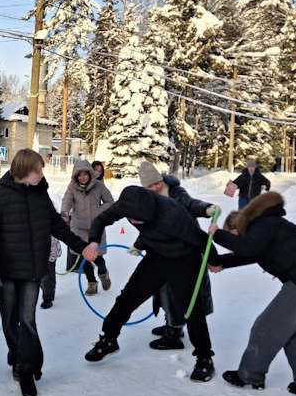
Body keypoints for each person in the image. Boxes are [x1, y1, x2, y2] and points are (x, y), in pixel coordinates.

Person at [82, 186, 219, 383]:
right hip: (156, 257)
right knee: (127, 297)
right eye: (134, 220)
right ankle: (108, 340)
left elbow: (201, 239)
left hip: (184, 258)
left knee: (191, 309)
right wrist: (94, 242)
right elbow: (100, 220)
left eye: (141, 221)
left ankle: (204, 358)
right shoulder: (126, 204)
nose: (136, 224)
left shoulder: (172, 213)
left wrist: (214, 261)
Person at [0, 149, 89, 396]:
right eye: (37, 170)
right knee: (10, 320)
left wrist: (81, 247)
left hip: (32, 271)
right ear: (23, 171)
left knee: (27, 320)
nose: (41, 174)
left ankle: (26, 369)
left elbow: (58, 227)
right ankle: (18, 353)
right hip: (6, 272)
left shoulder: (41, 196)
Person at [209, 193, 296, 396]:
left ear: (239, 227)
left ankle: (250, 376)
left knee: (265, 328)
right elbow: (253, 252)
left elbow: (247, 248)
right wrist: (223, 263)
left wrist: (216, 235)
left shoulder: (264, 225)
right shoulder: (267, 225)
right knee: (294, 336)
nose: (236, 240)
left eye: (233, 235)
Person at [138, 161, 219, 351]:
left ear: (161, 179)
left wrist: (206, 208)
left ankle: (174, 334)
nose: (155, 188)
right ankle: (172, 324)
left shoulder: (175, 193)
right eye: (150, 186)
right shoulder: (150, 199)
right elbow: (149, 226)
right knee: (164, 290)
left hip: (185, 250)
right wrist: (139, 244)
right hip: (163, 250)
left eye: (156, 183)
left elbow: (191, 204)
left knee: (178, 292)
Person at [60, 160, 114, 296]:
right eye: (79, 175)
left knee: (97, 256)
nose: (82, 177)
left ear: (90, 174)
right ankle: (92, 283)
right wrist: (65, 213)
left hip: (96, 227)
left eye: (85, 174)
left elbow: (110, 202)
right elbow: (66, 201)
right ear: (76, 176)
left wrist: (98, 211)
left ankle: (103, 273)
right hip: (78, 227)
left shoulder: (99, 186)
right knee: (83, 256)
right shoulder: (72, 187)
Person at [40, 237, 62, 309]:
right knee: (47, 276)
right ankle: (49, 293)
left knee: (47, 277)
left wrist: (52, 257)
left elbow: (54, 242)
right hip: (39, 255)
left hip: (49, 255)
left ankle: (47, 298)